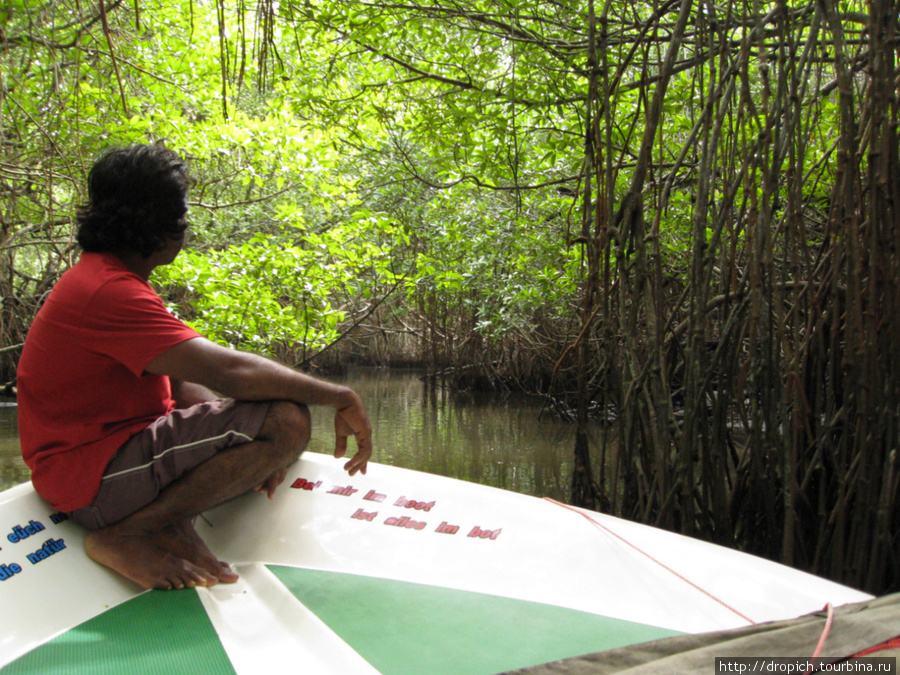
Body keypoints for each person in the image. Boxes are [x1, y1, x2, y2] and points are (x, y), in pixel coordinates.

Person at [16, 143, 372, 591]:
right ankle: (133, 532)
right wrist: (340, 396)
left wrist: (241, 443)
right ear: (152, 224)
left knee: (270, 423)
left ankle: (164, 521)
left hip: (101, 467)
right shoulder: (107, 291)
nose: (185, 226)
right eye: (179, 215)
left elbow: (180, 384)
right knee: (287, 419)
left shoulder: (107, 278)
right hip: (90, 482)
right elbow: (229, 373)